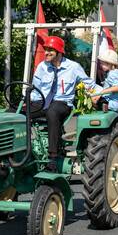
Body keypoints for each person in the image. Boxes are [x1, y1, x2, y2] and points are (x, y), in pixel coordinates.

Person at [31, 36, 97, 171]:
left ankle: (53, 158)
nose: (47, 53)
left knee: (52, 111)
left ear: (59, 52)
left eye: (51, 50)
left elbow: (89, 84)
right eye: (46, 50)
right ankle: (23, 152)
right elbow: (35, 89)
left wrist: (101, 95)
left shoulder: (73, 67)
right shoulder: (42, 67)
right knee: (17, 112)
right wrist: (28, 104)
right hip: (43, 102)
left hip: (63, 103)